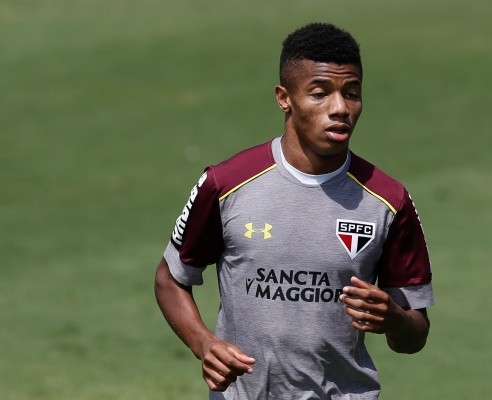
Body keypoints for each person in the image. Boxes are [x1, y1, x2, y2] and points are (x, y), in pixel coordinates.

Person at [154, 22, 434, 399]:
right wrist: (203, 343)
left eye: (351, 93)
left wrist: (394, 320)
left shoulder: (388, 200)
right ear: (284, 98)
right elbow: (170, 279)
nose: (340, 108)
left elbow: (415, 335)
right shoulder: (225, 184)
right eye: (320, 93)